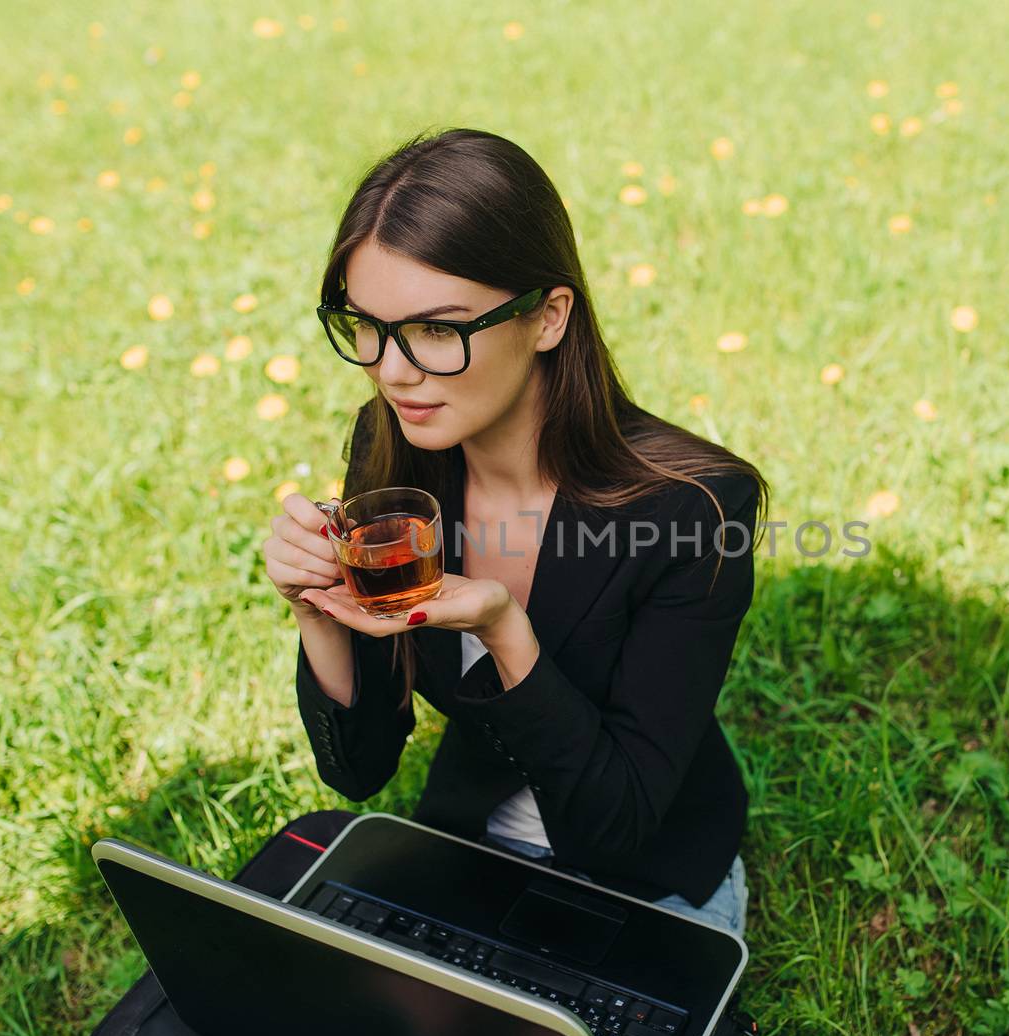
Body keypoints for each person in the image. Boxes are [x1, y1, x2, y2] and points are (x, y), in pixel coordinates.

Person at [261, 127, 767, 938]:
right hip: (474, 846)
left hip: (651, 876)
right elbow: (359, 771)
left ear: (548, 318)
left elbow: (618, 826)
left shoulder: (695, 509)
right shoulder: (393, 451)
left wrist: (505, 630)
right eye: (366, 325)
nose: (392, 371)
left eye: (437, 330)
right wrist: (315, 610)